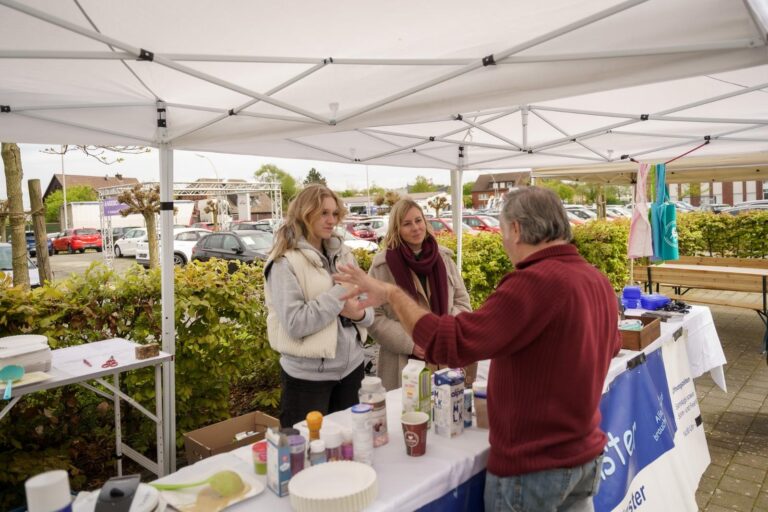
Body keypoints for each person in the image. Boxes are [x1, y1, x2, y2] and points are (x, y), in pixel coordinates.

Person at [335, 187, 621, 512]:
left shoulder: (534, 283)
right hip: (583, 456)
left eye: (502, 231)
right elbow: (609, 348)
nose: (503, 241)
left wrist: (391, 294)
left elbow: (450, 343)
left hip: (535, 468)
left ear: (515, 228)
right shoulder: (596, 280)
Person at [264, 184, 374, 428]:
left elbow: (369, 311)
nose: (331, 220)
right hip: (307, 380)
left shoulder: (343, 254)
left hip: (352, 370)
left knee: (347, 446)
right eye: (324, 213)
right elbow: (295, 323)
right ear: (305, 213)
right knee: (304, 454)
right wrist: (339, 295)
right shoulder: (284, 261)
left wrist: (360, 313)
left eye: (335, 214)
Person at [368, 198, 473, 391]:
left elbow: (462, 302)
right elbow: (374, 317)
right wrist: (411, 343)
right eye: (407, 224)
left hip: (445, 357)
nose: (415, 228)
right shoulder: (382, 266)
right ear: (396, 228)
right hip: (404, 362)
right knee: (409, 417)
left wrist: (445, 332)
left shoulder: (444, 258)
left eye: (418, 220)